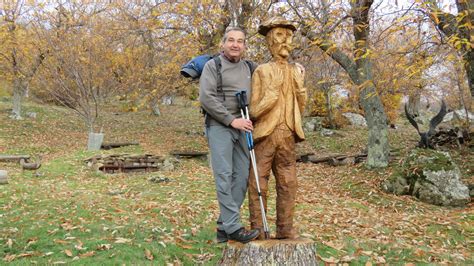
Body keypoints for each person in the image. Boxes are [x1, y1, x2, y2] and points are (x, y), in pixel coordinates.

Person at [248, 16, 307, 239]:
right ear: (270, 41)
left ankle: (285, 228)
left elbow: (300, 108)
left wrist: (301, 88)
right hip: (265, 135)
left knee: (288, 183)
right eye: (280, 35)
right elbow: (253, 111)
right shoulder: (262, 71)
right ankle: (258, 228)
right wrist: (271, 94)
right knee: (258, 181)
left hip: (288, 135)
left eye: (289, 36)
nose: (285, 41)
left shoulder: (296, 71)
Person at [199, 27, 259, 244]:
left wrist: (295, 67)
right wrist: (231, 120)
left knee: (241, 178)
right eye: (231, 40)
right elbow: (207, 98)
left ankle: (224, 227)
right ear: (223, 43)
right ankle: (234, 227)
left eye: (240, 41)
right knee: (224, 176)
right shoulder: (212, 66)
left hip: (244, 127)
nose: (235, 44)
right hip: (220, 126)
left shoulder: (251, 67)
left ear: (244, 45)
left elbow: (271, 76)